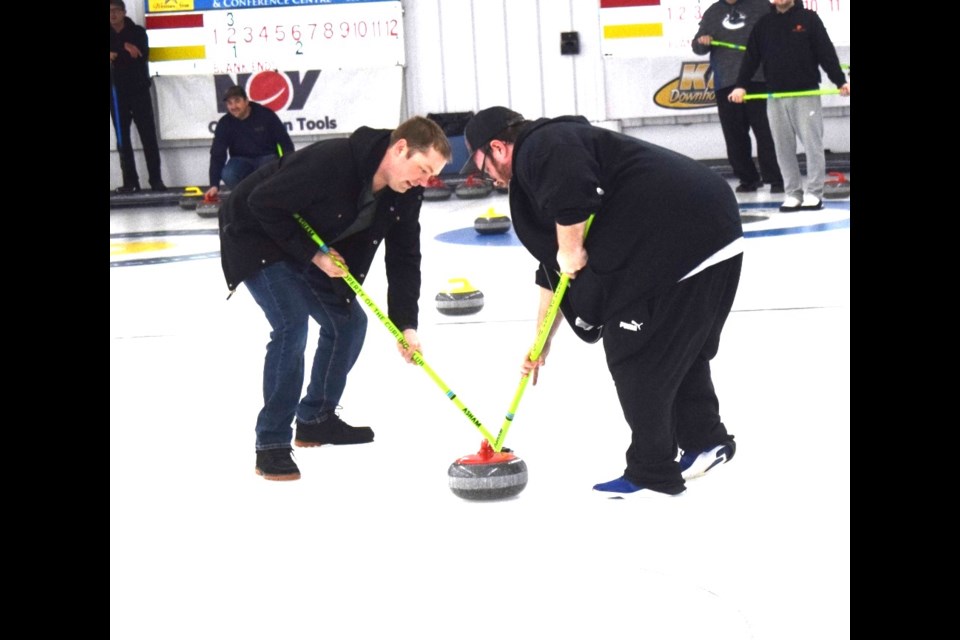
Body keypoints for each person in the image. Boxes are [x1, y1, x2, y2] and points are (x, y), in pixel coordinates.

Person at [460, 106, 742, 498]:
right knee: (675, 347)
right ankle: (705, 440)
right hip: (709, 233)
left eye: (480, 163)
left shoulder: (542, 145)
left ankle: (652, 471)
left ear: (498, 147)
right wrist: (541, 340)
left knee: (634, 352)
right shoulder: (540, 171)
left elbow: (572, 202)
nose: (482, 174)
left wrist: (571, 248)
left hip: (684, 236)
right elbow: (552, 268)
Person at [218, 116, 452, 481]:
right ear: (401, 148)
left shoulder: (406, 190)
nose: (425, 181)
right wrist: (314, 255)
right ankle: (271, 443)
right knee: (291, 322)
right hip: (256, 233)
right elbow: (260, 202)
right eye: (422, 170)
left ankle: (315, 419)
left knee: (348, 323)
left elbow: (405, 257)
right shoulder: (333, 160)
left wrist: (406, 325)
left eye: (431, 176)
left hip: (312, 244)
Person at [728, 0, 850, 212]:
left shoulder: (809, 19)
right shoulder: (763, 24)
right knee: (783, 148)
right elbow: (750, 58)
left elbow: (826, 53)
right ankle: (793, 193)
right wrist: (741, 86)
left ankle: (814, 193)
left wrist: (840, 81)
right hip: (775, 96)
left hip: (806, 94)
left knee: (812, 145)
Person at [692, 0, 783, 194]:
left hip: (758, 79)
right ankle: (748, 179)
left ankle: (776, 179)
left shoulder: (761, 5)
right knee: (734, 135)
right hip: (726, 83)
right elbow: (697, 46)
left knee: (766, 132)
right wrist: (703, 40)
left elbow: (785, 21)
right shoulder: (713, 12)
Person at [109, 0, 166, 193]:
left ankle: (156, 181)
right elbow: (127, 55)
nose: (113, 14)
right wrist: (123, 48)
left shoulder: (138, 32)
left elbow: (142, 55)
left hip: (139, 91)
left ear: (124, 12)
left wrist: (116, 53)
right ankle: (130, 182)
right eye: (109, 11)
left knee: (148, 137)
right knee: (122, 140)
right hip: (116, 95)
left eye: (116, 10)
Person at [205, 86, 296, 201]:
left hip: (267, 158)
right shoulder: (224, 123)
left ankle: (268, 200)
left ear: (247, 101)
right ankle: (246, 200)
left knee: (269, 170)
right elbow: (217, 154)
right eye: (229, 103)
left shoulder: (266, 115)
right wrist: (214, 184)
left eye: (237, 101)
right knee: (228, 173)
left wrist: (289, 168)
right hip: (240, 160)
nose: (233, 107)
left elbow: (285, 142)